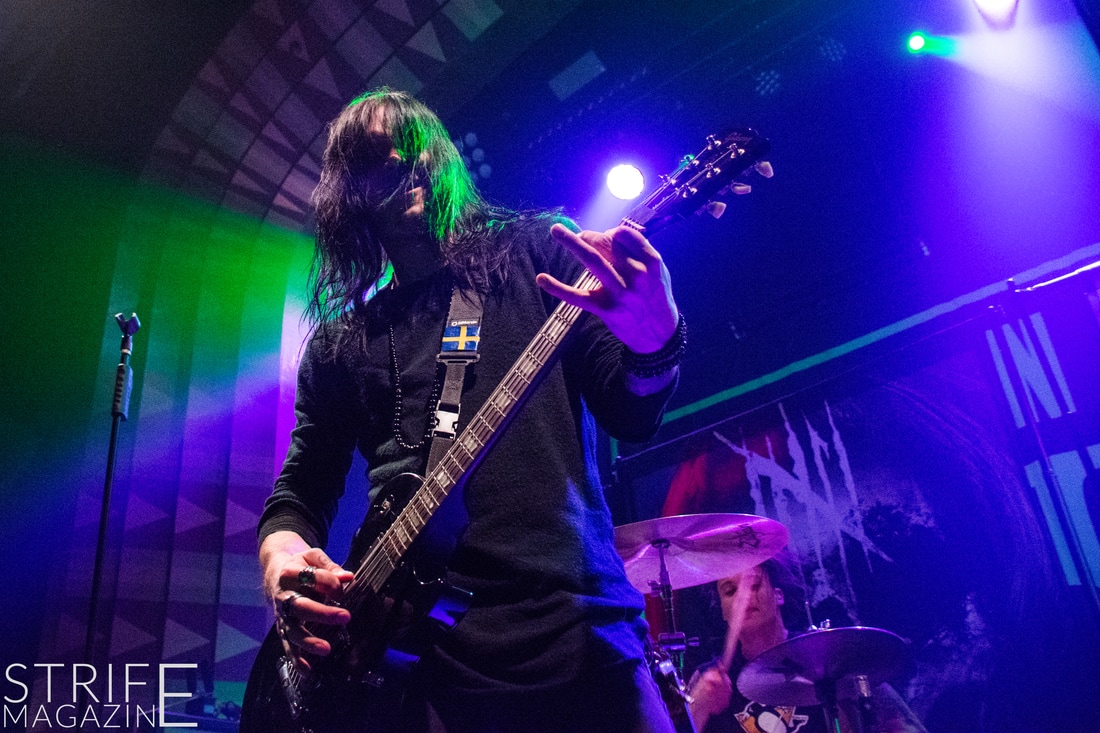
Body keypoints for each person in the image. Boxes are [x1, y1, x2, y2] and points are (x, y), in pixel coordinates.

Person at [253, 88, 684, 732]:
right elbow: (300, 493)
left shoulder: (539, 254)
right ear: (348, 195)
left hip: (580, 637)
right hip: (419, 666)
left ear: (445, 157)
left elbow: (632, 412)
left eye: (414, 142)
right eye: (375, 156)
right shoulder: (341, 344)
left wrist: (655, 341)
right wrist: (282, 567)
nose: (402, 159)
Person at [688, 557, 928, 733]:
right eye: (730, 591)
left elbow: (905, 726)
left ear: (778, 595)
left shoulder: (826, 653)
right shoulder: (706, 680)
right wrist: (698, 707)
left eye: (754, 585)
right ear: (723, 612)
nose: (744, 597)